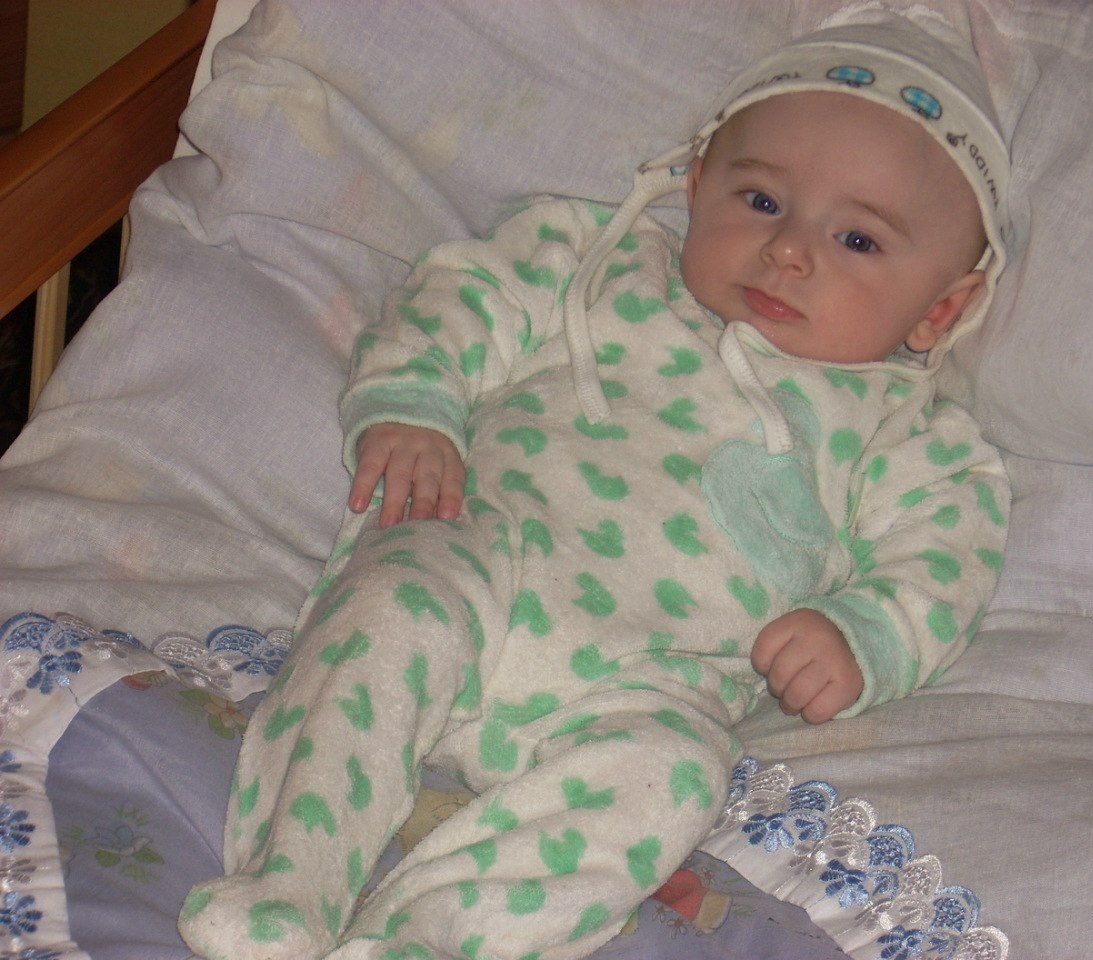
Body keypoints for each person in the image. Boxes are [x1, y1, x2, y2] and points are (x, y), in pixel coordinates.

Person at [180, 11, 1013, 960]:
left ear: (940, 309)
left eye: (859, 240)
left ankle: (432, 938)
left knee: (673, 774)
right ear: (696, 184)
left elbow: (946, 553)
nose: (789, 250)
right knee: (384, 610)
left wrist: (861, 630)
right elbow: (466, 297)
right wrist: (417, 403)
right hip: (478, 554)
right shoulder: (595, 261)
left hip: (647, 679)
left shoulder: (906, 433)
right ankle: (288, 880)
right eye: (761, 199)